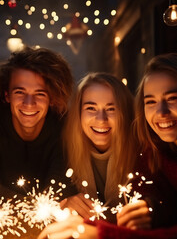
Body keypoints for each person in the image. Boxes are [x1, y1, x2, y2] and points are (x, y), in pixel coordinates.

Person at [38, 53, 177, 239]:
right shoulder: (158, 146)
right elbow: (154, 197)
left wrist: (98, 233)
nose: (161, 112)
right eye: (151, 101)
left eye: (172, 98)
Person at [0, 46, 77, 205]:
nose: (29, 103)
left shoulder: (64, 127)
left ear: (52, 97)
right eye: (20, 92)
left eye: (39, 94)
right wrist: (36, 209)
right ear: (7, 95)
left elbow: (61, 189)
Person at [60, 72, 150, 227]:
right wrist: (65, 202)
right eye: (91, 108)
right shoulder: (63, 150)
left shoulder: (144, 151)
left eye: (111, 109)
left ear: (125, 112)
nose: (101, 119)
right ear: (78, 113)